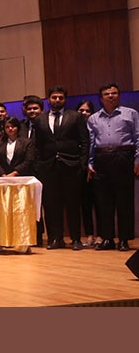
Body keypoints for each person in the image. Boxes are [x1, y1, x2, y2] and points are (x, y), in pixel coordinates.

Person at [33, 86, 89, 250]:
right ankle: (55, 239)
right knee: (51, 205)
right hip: (48, 167)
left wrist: (82, 164)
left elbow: (85, 141)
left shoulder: (75, 116)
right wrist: (38, 166)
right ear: (48, 99)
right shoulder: (40, 119)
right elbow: (37, 145)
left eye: (60, 98)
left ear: (65, 99)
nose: (57, 100)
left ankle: (76, 239)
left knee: (73, 204)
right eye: (54, 97)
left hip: (71, 166)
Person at [87, 83, 139, 251]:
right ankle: (107, 239)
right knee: (103, 202)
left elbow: (138, 137)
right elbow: (91, 143)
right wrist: (90, 163)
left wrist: (137, 161)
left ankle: (124, 239)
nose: (111, 96)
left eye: (114, 93)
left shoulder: (131, 114)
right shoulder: (93, 118)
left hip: (124, 157)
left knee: (125, 201)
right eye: (107, 94)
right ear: (101, 98)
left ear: (119, 95)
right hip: (101, 159)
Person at [76, 100, 98, 246]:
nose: (83, 113)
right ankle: (89, 235)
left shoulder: (96, 125)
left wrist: (91, 164)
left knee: (101, 204)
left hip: (97, 169)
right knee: (85, 204)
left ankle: (102, 235)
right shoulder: (73, 127)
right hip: (81, 170)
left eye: (87, 111)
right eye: (81, 110)